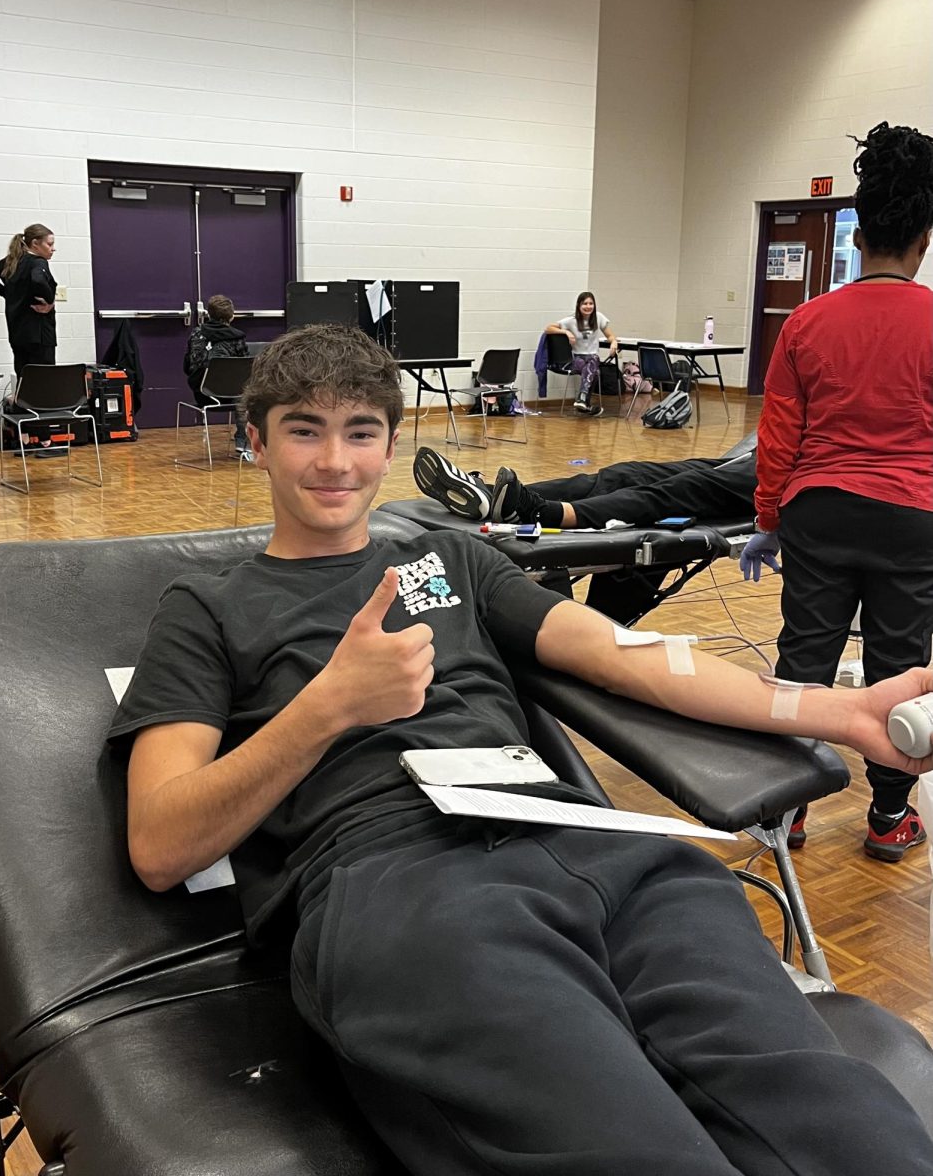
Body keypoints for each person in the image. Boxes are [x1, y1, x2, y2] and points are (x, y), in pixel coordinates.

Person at [108, 323, 933, 1175]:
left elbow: (631, 658)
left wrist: (844, 711)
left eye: (359, 432)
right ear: (258, 443)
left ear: (392, 444)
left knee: (838, 1120)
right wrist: (327, 708)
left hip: (591, 846)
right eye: (304, 431)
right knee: (637, 1149)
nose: (334, 462)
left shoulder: (452, 557)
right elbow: (161, 844)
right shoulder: (206, 609)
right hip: (402, 884)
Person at [741, 121, 933, 863]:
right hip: (914, 519)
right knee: (898, 667)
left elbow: (779, 437)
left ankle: (786, 814)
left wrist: (767, 520)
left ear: (856, 238)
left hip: (818, 511)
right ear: (923, 239)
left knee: (805, 661)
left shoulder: (807, 321)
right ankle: (888, 818)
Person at [413, 444, 756, 528]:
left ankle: (542, 513)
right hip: (774, 454)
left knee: (685, 489)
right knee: (627, 473)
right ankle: (495, 496)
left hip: (798, 475)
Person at [0, 224, 57, 378]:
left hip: (17, 333)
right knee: (44, 380)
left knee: (23, 377)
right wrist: (49, 301)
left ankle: (22, 402)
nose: (53, 249)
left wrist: (7, 294)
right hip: (39, 334)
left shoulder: (12, 261)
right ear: (35, 244)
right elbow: (38, 280)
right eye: (50, 244)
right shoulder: (38, 261)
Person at [184, 294, 251, 456]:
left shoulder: (197, 334)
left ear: (209, 314)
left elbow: (189, 367)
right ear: (231, 316)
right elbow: (245, 367)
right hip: (234, 394)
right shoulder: (238, 337)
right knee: (246, 393)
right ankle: (243, 440)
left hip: (203, 393)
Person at [545, 290, 618, 417]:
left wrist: (614, 343)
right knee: (592, 369)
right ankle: (583, 401)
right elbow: (548, 328)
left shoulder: (599, 317)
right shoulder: (571, 320)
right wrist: (566, 332)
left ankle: (582, 401)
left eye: (591, 303)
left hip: (592, 357)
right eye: (585, 303)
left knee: (592, 361)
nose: (588, 306)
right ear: (579, 305)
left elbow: (610, 335)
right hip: (576, 359)